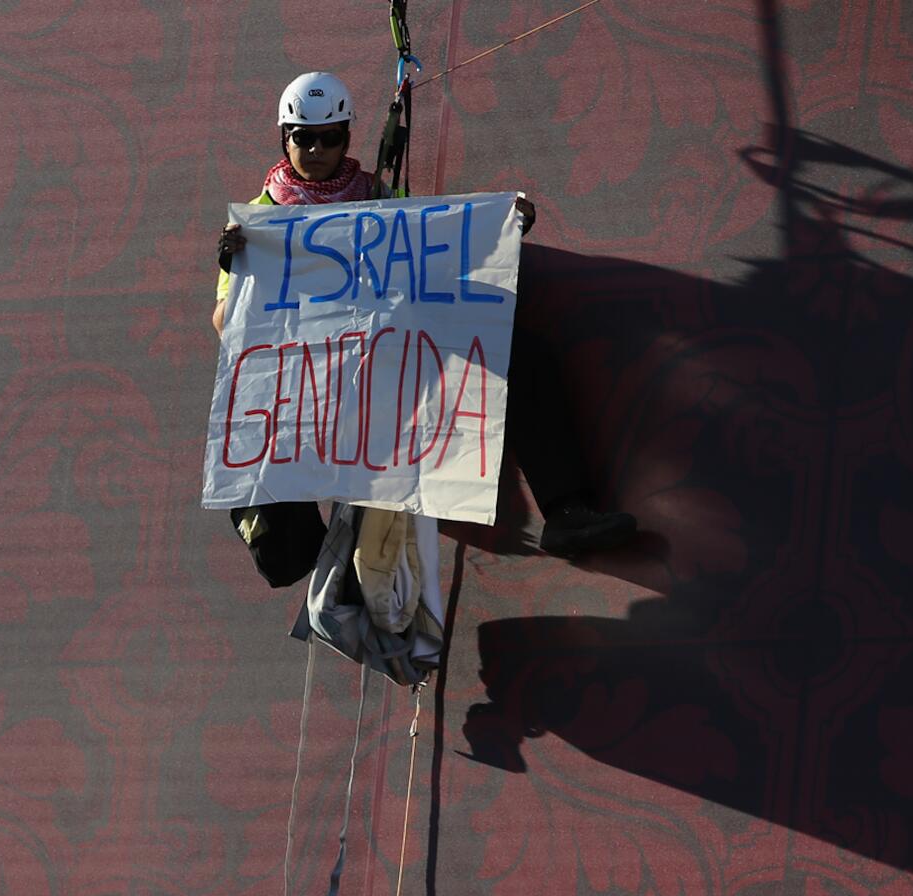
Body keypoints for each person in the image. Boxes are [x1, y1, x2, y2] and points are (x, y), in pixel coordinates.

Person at [214, 71, 637, 562]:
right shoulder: (257, 223)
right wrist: (242, 275)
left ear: (347, 136)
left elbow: (435, 255)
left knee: (522, 353)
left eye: (330, 138)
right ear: (284, 138)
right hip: (323, 384)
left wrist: (499, 225)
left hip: (395, 358)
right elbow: (227, 327)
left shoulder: (383, 198)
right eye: (303, 138)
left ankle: (566, 511)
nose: (316, 150)